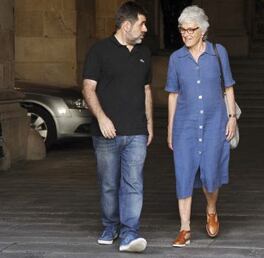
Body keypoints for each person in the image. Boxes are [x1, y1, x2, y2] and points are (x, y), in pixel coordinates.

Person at [82, 1, 152, 253]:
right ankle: (110, 225)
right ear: (126, 25)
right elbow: (88, 88)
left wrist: (150, 123)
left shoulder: (145, 53)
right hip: (106, 134)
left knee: (134, 183)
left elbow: (146, 90)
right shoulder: (99, 51)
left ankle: (129, 234)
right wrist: (101, 118)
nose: (145, 29)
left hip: (136, 131)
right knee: (109, 183)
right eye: (142, 23)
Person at [165, 5, 237, 247]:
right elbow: (173, 95)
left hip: (215, 123)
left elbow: (228, 87)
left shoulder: (218, 53)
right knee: (183, 173)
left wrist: (232, 117)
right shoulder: (176, 58)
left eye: (190, 29)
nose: (185, 34)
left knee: (210, 172)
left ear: (203, 30)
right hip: (185, 125)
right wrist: (170, 129)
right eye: (182, 29)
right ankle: (184, 229)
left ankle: (211, 209)